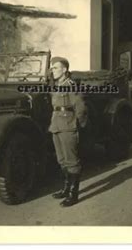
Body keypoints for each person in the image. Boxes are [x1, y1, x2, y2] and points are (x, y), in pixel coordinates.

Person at [48, 56, 88, 207]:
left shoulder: (71, 85)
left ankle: (73, 194)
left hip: (68, 125)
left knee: (72, 161)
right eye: (52, 68)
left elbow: (81, 108)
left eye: (56, 68)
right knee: (61, 160)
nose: (53, 71)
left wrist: (78, 125)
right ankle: (65, 189)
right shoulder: (57, 85)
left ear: (65, 70)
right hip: (56, 125)